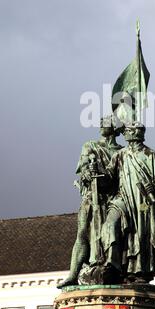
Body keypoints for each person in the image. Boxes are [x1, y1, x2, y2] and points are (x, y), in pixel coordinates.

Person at [101, 122, 155, 283]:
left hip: (143, 204)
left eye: (129, 131)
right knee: (110, 224)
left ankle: (138, 270)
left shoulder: (150, 155)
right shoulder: (120, 155)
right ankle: (111, 264)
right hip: (123, 200)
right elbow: (108, 178)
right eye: (128, 131)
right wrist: (94, 176)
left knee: (141, 235)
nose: (126, 133)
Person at [59, 115, 122, 287]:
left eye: (106, 123)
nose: (101, 125)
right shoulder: (90, 146)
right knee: (82, 233)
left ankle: (110, 266)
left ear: (115, 128)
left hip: (112, 198)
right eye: (101, 122)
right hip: (91, 196)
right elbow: (84, 166)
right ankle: (73, 274)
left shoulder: (121, 152)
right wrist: (87, 171)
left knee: (110, 232)